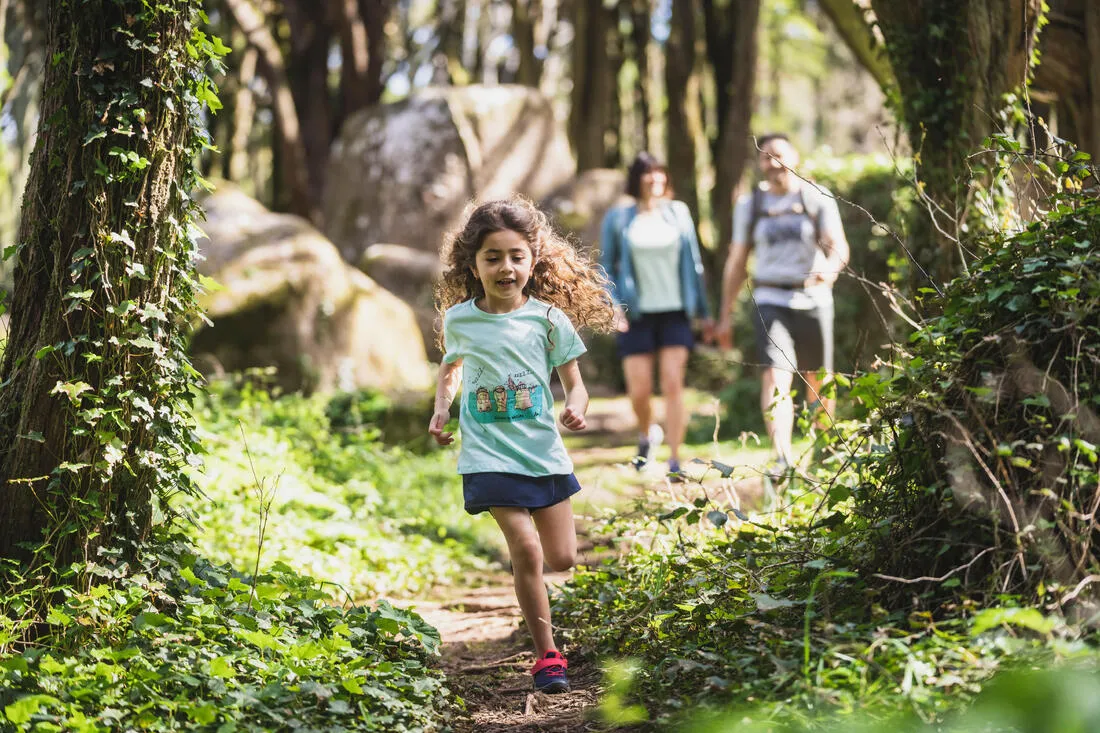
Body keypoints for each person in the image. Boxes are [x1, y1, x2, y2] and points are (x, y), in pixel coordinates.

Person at [428, 197, 614, 694]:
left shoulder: (550, 320)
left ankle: (549, 638)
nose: (505, 267)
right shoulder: (461, 320)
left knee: (563, 559)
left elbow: (576, 382)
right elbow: (451, 368)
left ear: (533, 260)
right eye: (492, 257)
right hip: (488, 455)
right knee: (527, 551)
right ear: (473, 265)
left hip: (542, 453)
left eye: (515, 256)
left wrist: (577, 404)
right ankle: (547, 655)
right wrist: (442, 407)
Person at [717, 133, 850, 472]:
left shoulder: (817, 197)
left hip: (814, 297)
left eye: (778, 155)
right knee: (776, 377)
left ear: (795, 157)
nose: (773, 163)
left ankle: (826, 451)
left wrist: (831, 270)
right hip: (770, 298)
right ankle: (782, 458)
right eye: (765, 157)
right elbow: (737, 260)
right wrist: (725, 314)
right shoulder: (751, 205)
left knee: (820, 379)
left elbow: (838, 246)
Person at [599, 152, 713, 478]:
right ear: (637, 180)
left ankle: (675, 460)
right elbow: (604, 266)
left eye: (660, 173)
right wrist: (614, 304)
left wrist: (703, 313)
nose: (656, 180)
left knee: (674, 384)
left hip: (675, 312)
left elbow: (693, 264)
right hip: (636, 315)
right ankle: (647, 435)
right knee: (639, 391)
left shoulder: (678, 214)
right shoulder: (619, 218)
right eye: (648, 174)